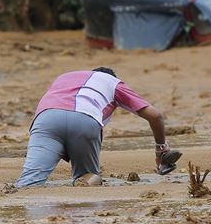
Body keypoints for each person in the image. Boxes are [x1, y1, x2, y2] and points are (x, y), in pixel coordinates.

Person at [15, 67, 182, 187]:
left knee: (29, 182)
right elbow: (155, 115)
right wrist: (161, 149)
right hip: (85, 119)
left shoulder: (65, 76)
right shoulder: (114, 83)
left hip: (46, 118)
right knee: (86, 177)